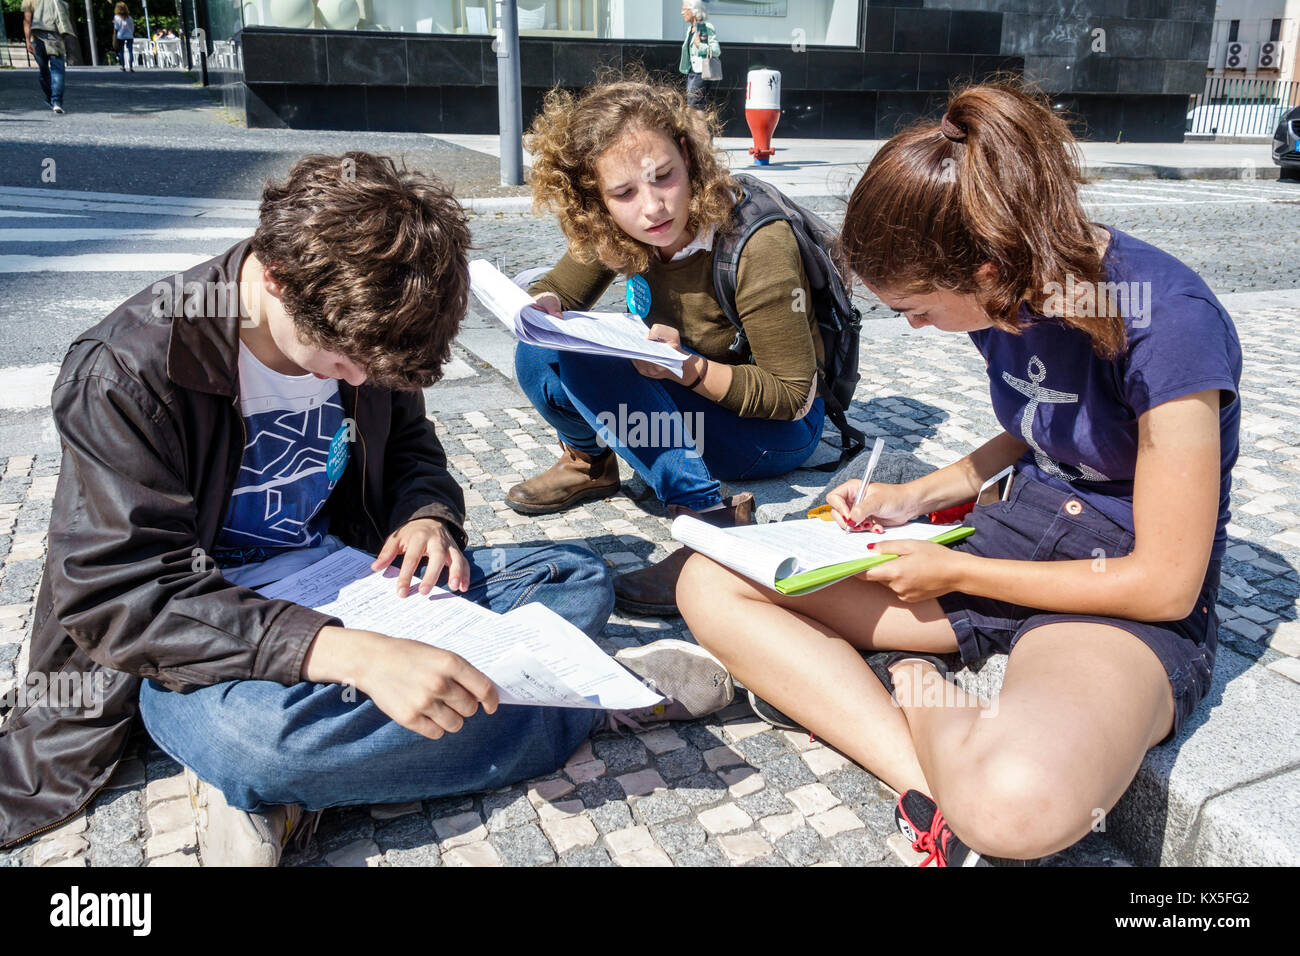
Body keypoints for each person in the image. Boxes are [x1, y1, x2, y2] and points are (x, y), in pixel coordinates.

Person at [0, 152, 733, 865]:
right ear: (280, 282)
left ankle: (313, 782)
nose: (359, 381)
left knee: (577, 576)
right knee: (256, 742)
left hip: (349, 581)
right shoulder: (129, 371)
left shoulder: (372, 324)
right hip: (209, 636)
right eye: (347, 365)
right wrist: (347, 654)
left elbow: (413, 450)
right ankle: (581, 703)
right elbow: (119, 597)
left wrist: (426, 519)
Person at [678, 80, 1242, 866]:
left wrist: (944, 568)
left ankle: (906, 674)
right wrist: (918, 494)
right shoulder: (1018, 288)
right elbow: (1039, 419)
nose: (913, 326)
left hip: (1114, 593)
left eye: (915, 307)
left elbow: (1165, 584)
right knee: (707, 580)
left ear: (984, 270)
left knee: (1017, 814)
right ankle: (925, 780)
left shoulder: (1167, 321)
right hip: (1013, 537)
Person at [511, 76, 828, 617]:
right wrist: (538, 306)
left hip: (775, 430)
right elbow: (561, 294)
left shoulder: (755, 242)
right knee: (543, 344)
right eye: (624, 193)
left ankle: (713, 526)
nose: (653, 207)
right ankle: (591, 464)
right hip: (690, 398)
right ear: (596, 195)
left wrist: (690, 370)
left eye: (665, 178)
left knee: (593, 360)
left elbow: (792, 395)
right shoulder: (621, 227)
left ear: (687, 156)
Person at [21, 0, 74, 114]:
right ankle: (56, 102)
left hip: (36, 37)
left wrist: (27, 40)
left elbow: (27, 21)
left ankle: (51, 98)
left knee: (44, 70)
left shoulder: (28, 0)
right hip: (55, 36)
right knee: (58, 70)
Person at [679, 0, 720, 111]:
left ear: (693, 10)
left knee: (694, 107)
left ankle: (698, 128)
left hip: (701, 72)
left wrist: (700, 46)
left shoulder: (704, 27)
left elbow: (716, 51)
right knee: (694, 106)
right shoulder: (690, 29)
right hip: (692, 72)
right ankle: (697, 128)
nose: (681, 12)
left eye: (684, 9)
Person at [113, 2, 135, 72]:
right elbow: (132, 27)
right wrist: (131, 33)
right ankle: (131, 66)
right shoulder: (129, 17)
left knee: (121, 51)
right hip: (129, 35)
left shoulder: (116, 17)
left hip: (121, 35)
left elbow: (116, 27)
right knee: (130, 51)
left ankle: (123, 66)